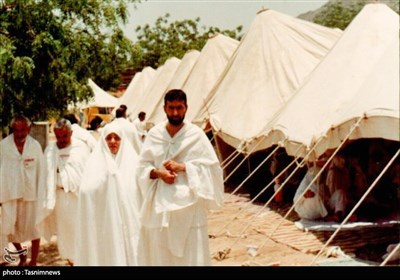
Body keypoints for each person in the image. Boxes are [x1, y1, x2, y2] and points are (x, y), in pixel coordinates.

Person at [136, 89, 224, 266]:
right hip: (160, 208)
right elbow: (142, 167)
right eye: (171, 108)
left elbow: (213, 169)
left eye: (179, 108)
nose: (175, 113)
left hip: (189, 207)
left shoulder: (196, 135)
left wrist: (183, 167)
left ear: (186, 108)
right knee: (161, 253)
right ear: (164, 108)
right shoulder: (154, 134)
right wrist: (159, 173)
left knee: (191, 254)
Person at [74, 122, 140, 266]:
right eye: (108, 138)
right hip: (105, 223)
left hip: (128, 223)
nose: (112, 142)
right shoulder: (95, 163)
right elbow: (86, 192)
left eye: (117, 138)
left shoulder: (134, 163)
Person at [37, 118, 90, 266]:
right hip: (60, 198)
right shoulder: (50, 150)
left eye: (64, 136)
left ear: (71, 133)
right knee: (65, 234)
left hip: (78, 198)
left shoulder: (81, 149)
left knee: (81, 232)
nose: (61, 140)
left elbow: (86, 173)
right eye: (58, 136)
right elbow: (45, 176)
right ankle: (71, 261)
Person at [0, 115, 45, 266]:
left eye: (22, 130)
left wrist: (42, 194)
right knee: (9, 228)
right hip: (9, 194)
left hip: (31, 194)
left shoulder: (35, 146)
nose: (19, 134)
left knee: (35, 227)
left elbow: (41, 171)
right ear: (12, 129)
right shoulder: (4, 146)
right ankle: (22, 256)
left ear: (29, 129)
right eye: (16, 130)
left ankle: (33, 260)